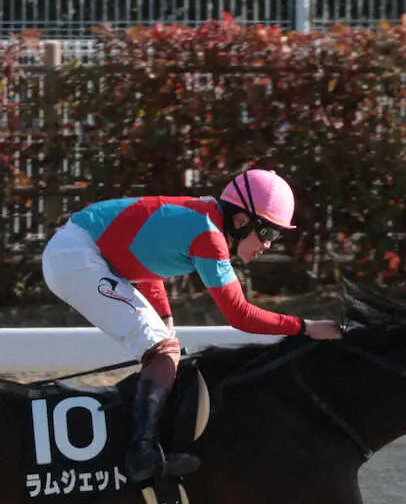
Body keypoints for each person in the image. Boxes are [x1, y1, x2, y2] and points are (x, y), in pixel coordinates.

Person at [42, 168, 344, 483]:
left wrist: (166, 322)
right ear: (241, 222)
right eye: (267, 233)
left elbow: (147, 262)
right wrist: (306, 327)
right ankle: (141, 454)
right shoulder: (209, 235)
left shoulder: (203, 217)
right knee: (163, 350)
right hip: (75, 257)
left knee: (166, 349)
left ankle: (152, 438)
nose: (268, 245)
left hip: (83, 249)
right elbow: (239, 315)